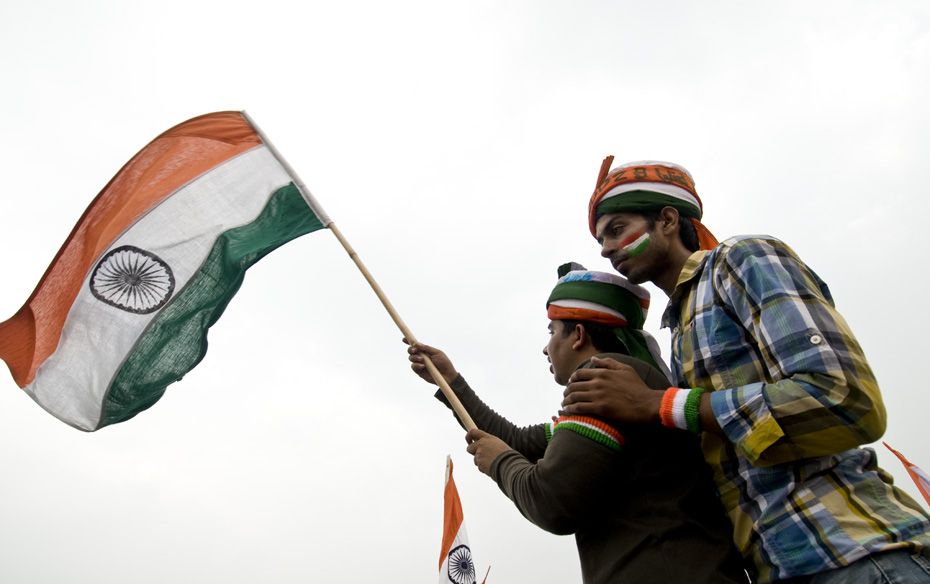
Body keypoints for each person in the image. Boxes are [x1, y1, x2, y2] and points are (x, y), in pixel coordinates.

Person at [561, 157, 930, 583]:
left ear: (666, 219)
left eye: (617, 229)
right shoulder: (678, 327)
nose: (606, 249)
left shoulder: (740, 260)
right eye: (601, 239)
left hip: (861, 557)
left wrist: (660, 404)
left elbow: (845, 397)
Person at [409, 264, 748, 583]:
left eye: (552, 331)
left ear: (578, 335)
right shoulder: (622, 384)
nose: (546, 347)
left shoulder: (601, 378)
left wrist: (499, 461)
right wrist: (449, 381)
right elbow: (518, 440)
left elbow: (551, 502)